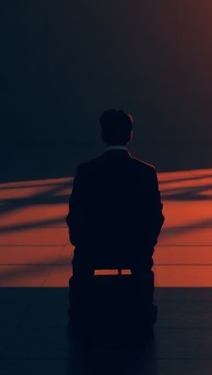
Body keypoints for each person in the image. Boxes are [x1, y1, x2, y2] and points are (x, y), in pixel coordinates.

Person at [66, 109, 164, 337]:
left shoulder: (86, 171)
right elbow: (155, 216)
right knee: (143, 271)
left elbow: (76, 214)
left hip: (92, 250)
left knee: (81, 270)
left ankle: (79, 314)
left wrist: (81, 243)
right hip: (134, 250)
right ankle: (143, 314)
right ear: (130, 135)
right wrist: (146, 245)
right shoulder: (146, 172)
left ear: (102, 135)